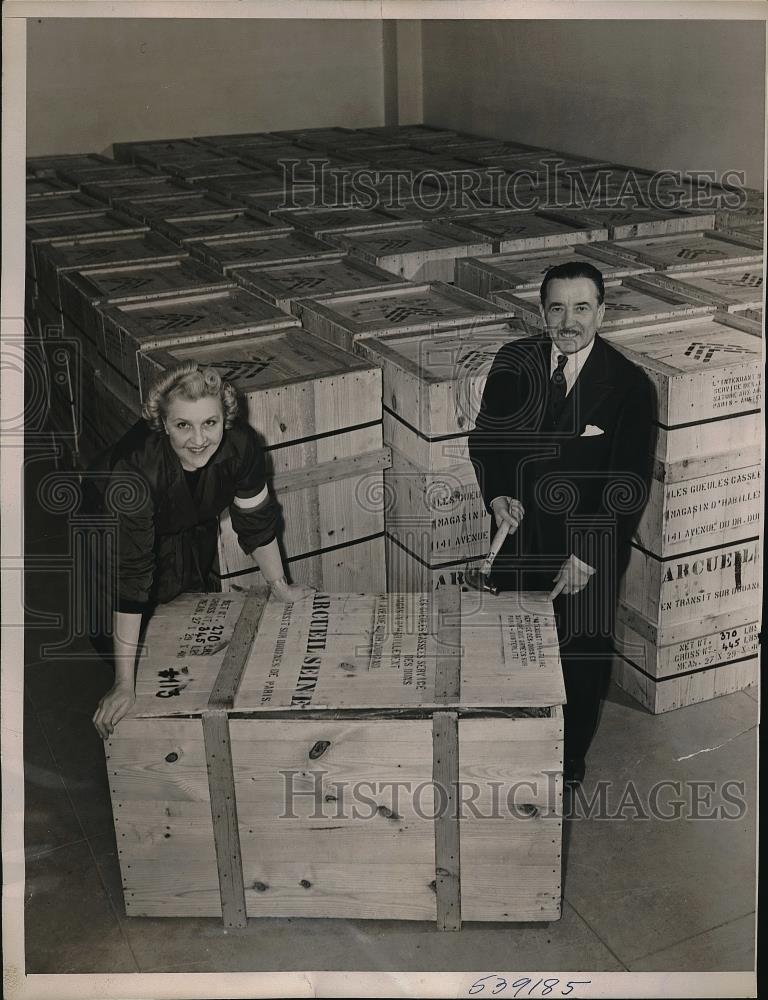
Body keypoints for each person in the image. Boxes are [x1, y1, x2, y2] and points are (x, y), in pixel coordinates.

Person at [468, 260, 656, 785]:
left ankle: (565, 763)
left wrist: (589, 557)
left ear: (601, 311)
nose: (568, 321)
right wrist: (497, 493)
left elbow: (629, 482)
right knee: (515, 647)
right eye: (557, 308)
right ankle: (513, 746)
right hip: (516, 539)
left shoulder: (629, 386)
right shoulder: (513, 361)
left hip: (583, 555)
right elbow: (487, 439)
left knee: (578, 661)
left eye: (581, 308)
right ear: (542, 310)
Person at [88, 362, 313, 739]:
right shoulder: (135, 470)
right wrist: (123, 682)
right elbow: (131, 577)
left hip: (182, 516)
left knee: (181, 602)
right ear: (163, 425)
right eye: (182, 426)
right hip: (106, 521)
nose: (198, 440)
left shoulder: (242, 445)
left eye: (209, 423)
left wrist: (280, 586)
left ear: (225, 418)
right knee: (120, 620)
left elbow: (256, 523)